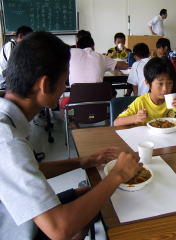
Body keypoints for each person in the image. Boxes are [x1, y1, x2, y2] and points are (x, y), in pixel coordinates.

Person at [0, 31, 140, 239]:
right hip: (15, 229)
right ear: (45, 85)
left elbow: (30, 168)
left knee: (88, 196)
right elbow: (59, 229)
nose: (65, 88)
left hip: (17, 211)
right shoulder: (8, 142)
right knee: (90, 210)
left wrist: (84, 161)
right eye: (65, 81)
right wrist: (117, 175)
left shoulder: (8, 119)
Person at [114, 57, 176, 126]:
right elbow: (116, 122)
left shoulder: (175, 102)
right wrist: (135, 118)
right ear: (148, 84)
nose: (165, 89)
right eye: (160, 84)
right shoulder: (141, 102)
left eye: (169, 83)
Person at [60, 35, 127, 109]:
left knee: (63, 102)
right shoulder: (101, 57)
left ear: (77, 46)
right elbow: (124, 66)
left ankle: (72, 119)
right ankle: (108, 116)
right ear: (93, 46)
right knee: (110, 91)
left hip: (76, 102)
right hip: (99, 102)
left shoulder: (70, 53)